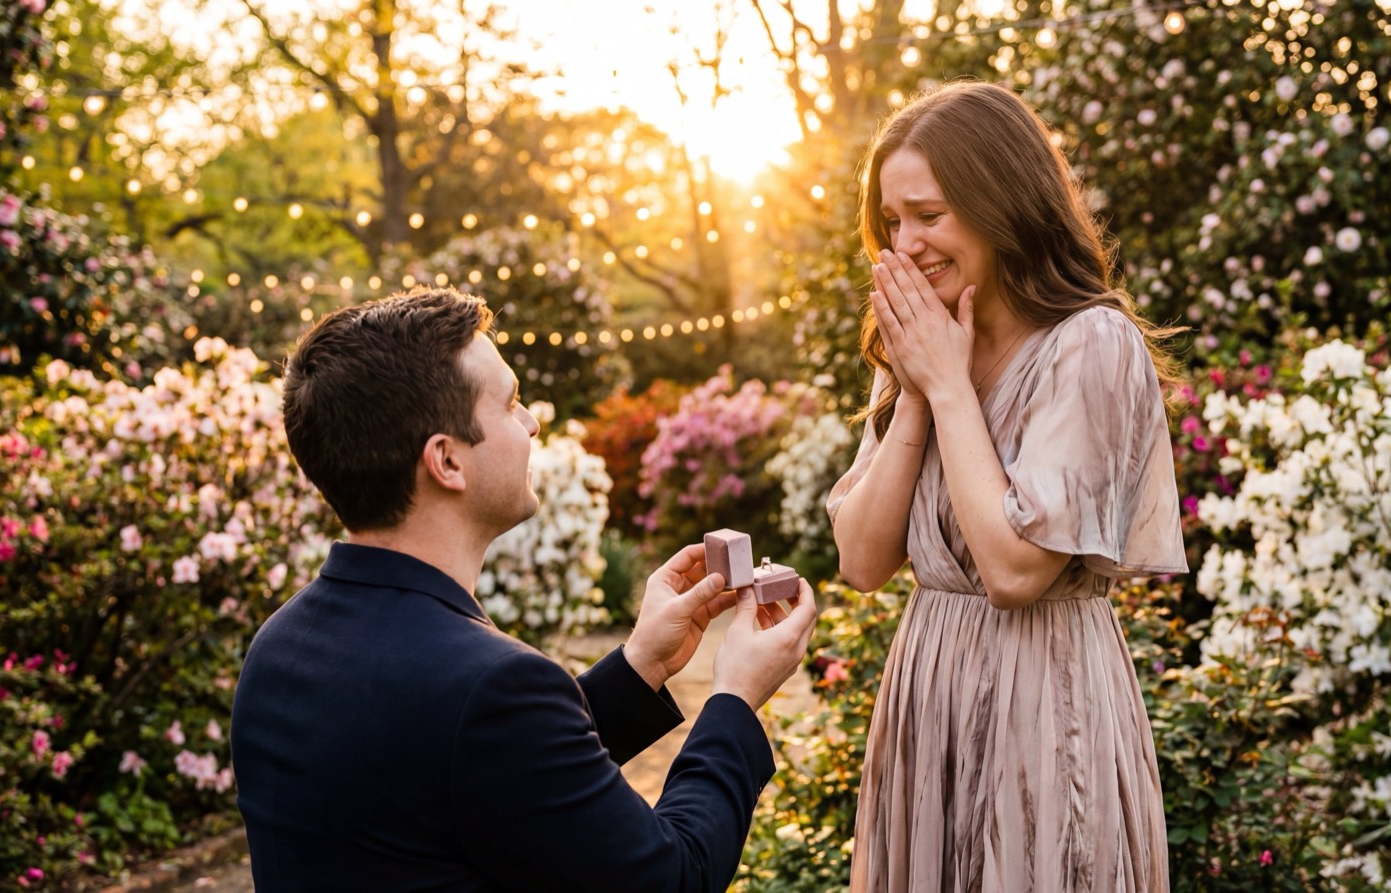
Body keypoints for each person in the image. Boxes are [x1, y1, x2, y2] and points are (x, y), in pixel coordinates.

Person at [231, 286, 817, 892]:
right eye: (511, 404)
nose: (534, 422)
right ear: (447, 462)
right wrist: (736, 699)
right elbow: (671, 879)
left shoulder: (278, 648)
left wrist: (643, 664)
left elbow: (486, 775)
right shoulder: (493, 685)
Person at [827, 81, 1188, 892]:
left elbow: (1016, 570)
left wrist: (951, 390)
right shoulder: (922, 346)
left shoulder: (1091, 344)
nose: (906, 242)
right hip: (929, 697)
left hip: (1047, 701)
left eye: (930, 214)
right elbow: (861, 559)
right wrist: (919, 389)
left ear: (999, 203)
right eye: (892, 221)